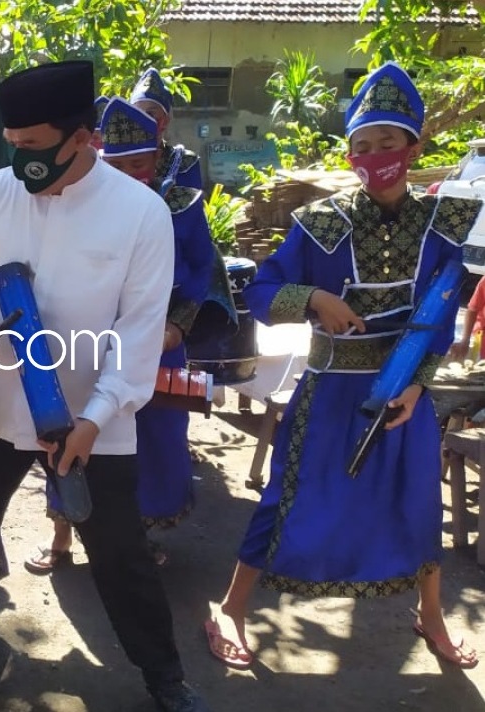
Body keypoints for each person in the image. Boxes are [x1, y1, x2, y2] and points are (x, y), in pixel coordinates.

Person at [0, 60, 211, 712]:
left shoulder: (140, 213)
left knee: (121, 555)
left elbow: (138, 334)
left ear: (82, 137)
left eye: (33, 145)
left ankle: (165, 676)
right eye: (12, 144)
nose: (19, 158)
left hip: (87, 414)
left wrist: (98, 416)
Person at [205, 61, 480, 672]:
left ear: (414, 147)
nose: (375, 155)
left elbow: (445, 309)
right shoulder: (319, 223)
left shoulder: (447, 223)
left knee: (414, 502)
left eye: (388, 143)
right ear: (350, 152)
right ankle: (231, 605)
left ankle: (430, 613)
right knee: (289, 496)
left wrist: (419, 384)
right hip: (330, 390)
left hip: (407, 392)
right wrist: (313, 299)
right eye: (363, 145)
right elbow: (258, 289)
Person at [25, 98, 216, 574]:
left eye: (141, 163)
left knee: (150, 439)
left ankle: (138, 536)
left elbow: (204, 272)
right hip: (86, 344)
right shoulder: (74, 202)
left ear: (157, 157)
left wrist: (176, 327)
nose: (132, 173)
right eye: (119, 165)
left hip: (157, 345)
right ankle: (62, 534)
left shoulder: (182, 207)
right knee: (68, 432)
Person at [130, 68, 203, 191]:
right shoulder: (119, 162)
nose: (143, 120)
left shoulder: (185, 162)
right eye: (137, 113)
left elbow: (193, 208)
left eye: (150, 114)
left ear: (165, 120)